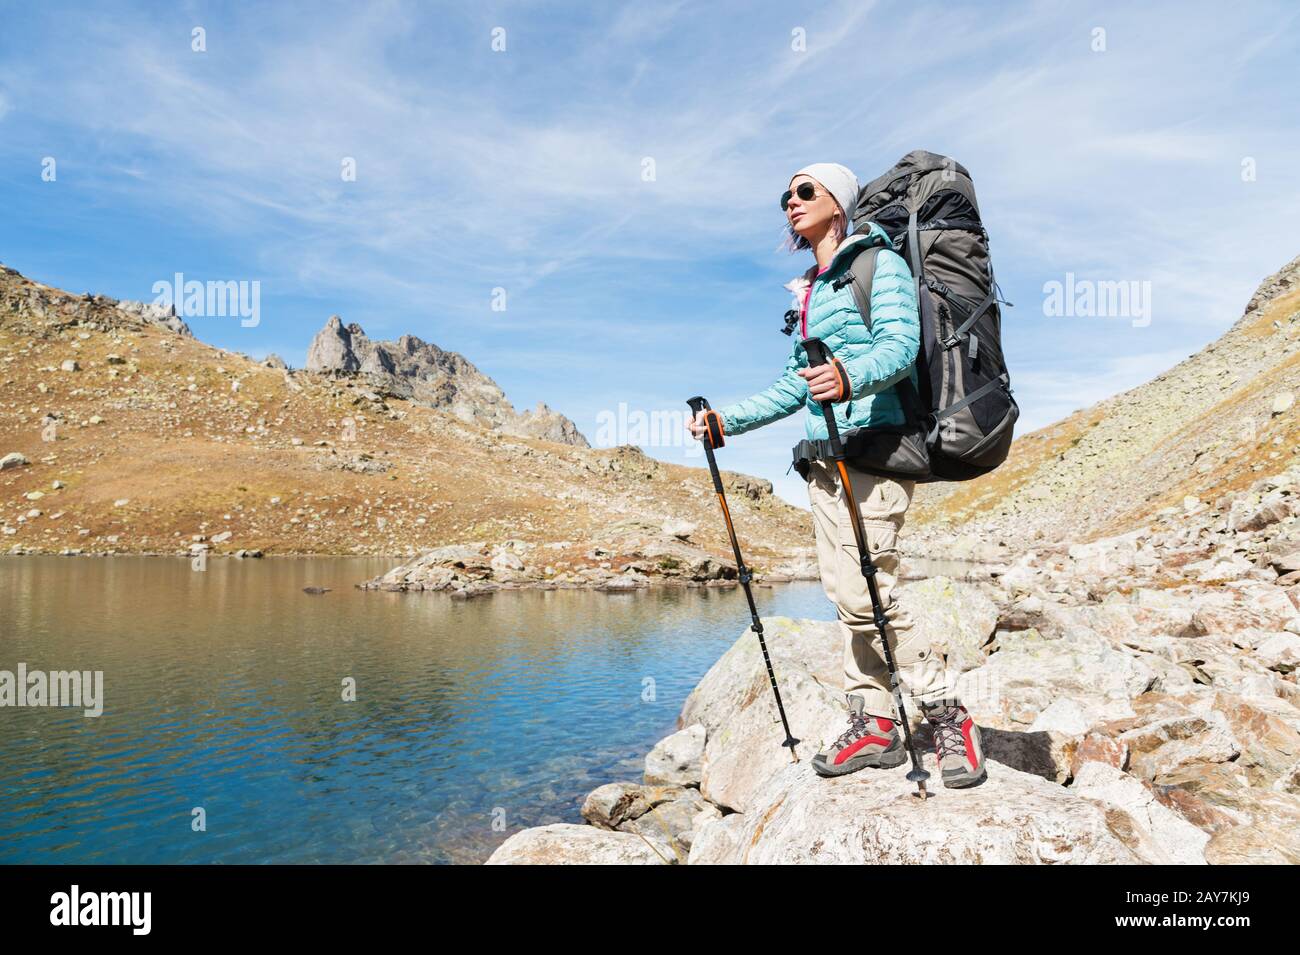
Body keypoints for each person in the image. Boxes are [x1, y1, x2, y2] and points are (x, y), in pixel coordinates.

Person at [687, 162, 985, 788]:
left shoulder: (881, 266)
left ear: (838, 203)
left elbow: (901, 347)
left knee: (869, 591)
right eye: (784, 196)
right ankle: (875, 722)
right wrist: (726, 421)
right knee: (848, 596)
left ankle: (944, 713)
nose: (789, 203)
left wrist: (851, 377)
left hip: (876, 451)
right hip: (827, 457)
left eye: (803, 191)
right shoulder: (814, 289)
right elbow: (795, 384)